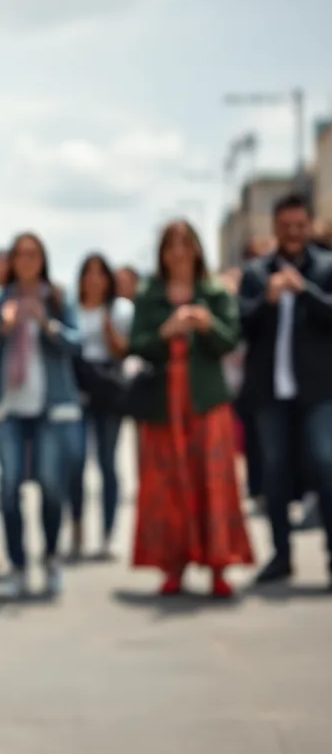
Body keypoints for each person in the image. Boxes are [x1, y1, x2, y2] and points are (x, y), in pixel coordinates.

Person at [129, 221, 252, 597]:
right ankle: (173, 563)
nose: (179, 252)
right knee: (167, 485)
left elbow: (230, 339)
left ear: (197, 249)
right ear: (162, 252)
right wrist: (166, 330)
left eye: (186, 243)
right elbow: (138, 343)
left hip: (205, 398)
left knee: (213, 480)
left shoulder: (213, 291)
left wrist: (206, 323)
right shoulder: (150, 293)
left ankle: (219, 564)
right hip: (165, 401)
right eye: (172, 245)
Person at [0, 233, 83, 597]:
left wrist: (47, 323)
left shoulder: (57, 297)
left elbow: (75, 344)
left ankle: (51, 557)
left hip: (51, 408)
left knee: (51, 485)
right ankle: (18, 566)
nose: (27, 262)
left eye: (34, 255)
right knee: (9, 487)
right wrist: (3, 327)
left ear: (43, 259)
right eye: (20, 255)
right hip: (8, 409)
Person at [238, 194, 332, 587]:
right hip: (270, 392)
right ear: (275, 228)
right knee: (274, 473)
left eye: (299, 226)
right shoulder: (256, 273)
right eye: (286, 226)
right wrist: (268, 299)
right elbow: (241, 324)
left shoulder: (326, 268)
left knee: (325, 463)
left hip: (318, 392)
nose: (293, 234)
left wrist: (304, 290)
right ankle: (281, 555)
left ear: (309, 226)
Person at [69, 253, 133, 559]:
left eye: (100, 273)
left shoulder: (121, 309)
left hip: (108, 390)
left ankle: (109, 532)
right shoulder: (71, 308)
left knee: (108, 462)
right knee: (76, 461)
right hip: (79, 391)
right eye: (88, 273)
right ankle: (78, 528)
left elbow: (124, 350)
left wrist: (109, 327)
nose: (94, 279)